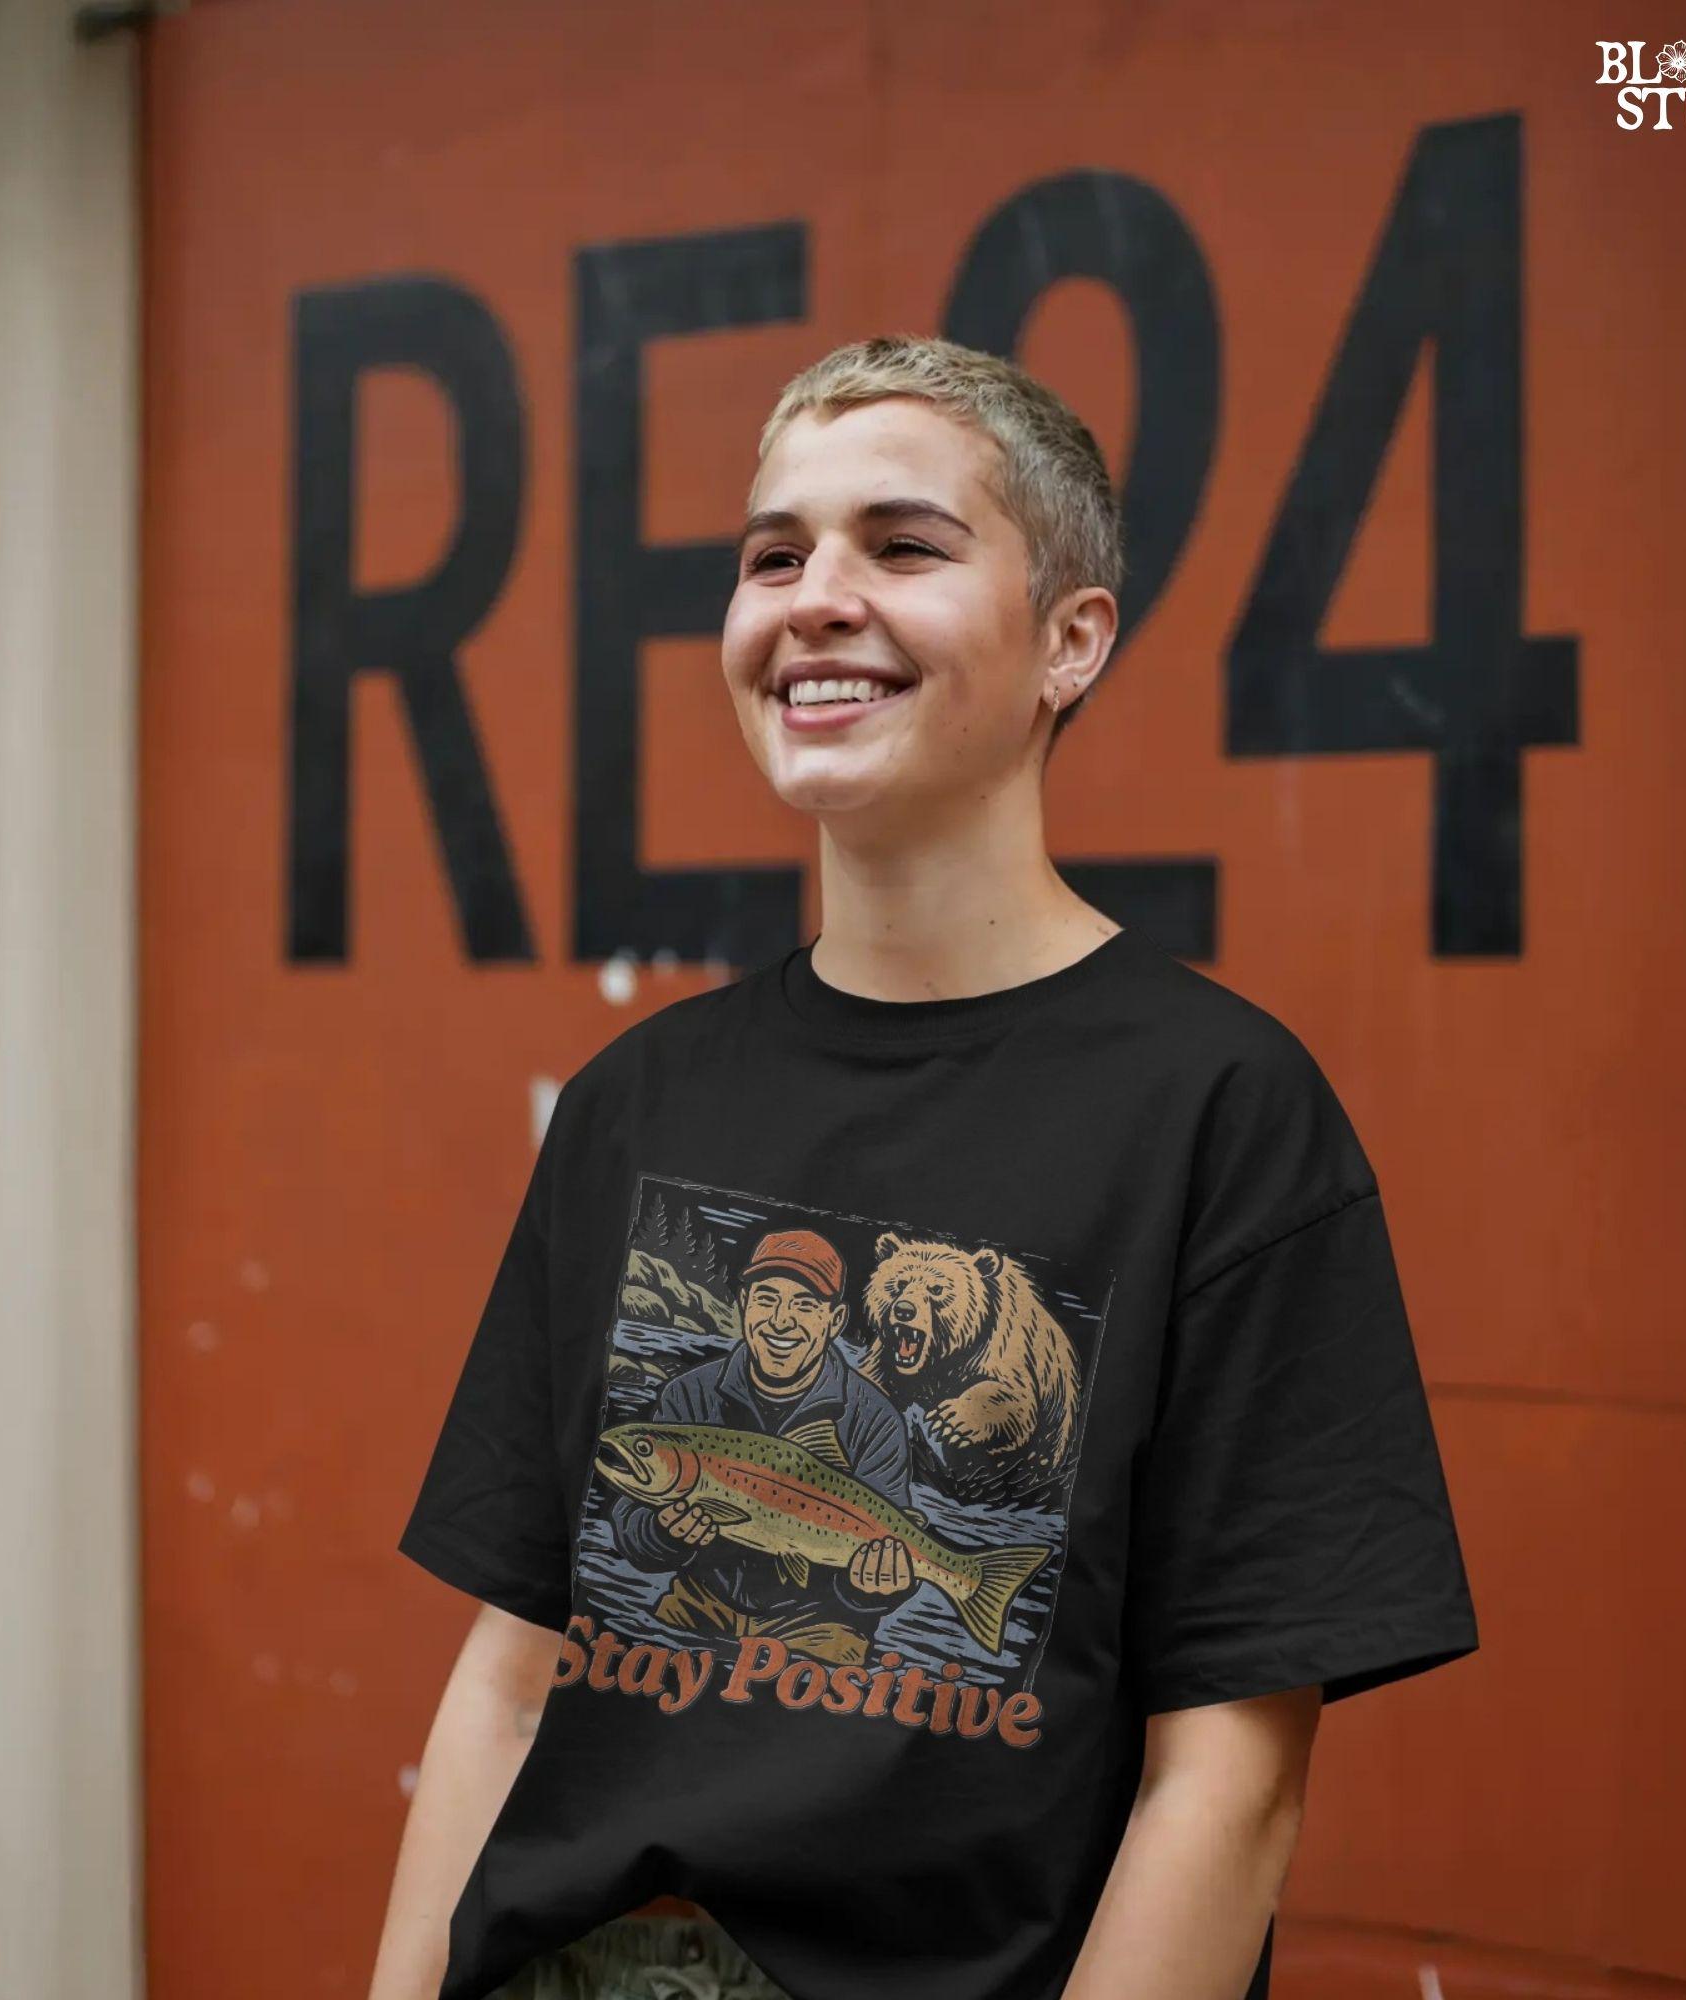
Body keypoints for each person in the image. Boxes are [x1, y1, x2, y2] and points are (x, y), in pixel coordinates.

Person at [370, 335, 1479, 2000]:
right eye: (773, 555)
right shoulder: (632, 1105)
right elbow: (513, 1684)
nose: (815, 596)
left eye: (902, 546)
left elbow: (1229, 1781)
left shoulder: (1222, 1112)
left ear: (1069, 642)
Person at [607, 1227, 915, 1666]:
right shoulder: (689, 1394)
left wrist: (869, 1588)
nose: (781, 1320)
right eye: (767, 1298)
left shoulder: (875, 1419)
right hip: (703, 1601)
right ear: (744, 1304)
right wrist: (663, 1534)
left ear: (836, 1320)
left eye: (805, 1305)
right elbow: (631, 1531)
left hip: (822, 1624)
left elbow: (887, 1580)